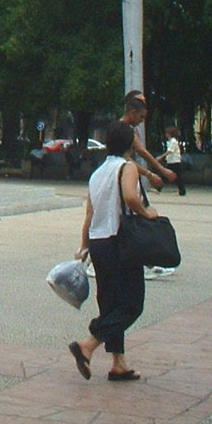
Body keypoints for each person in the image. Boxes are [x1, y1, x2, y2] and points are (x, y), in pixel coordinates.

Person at [69, 118, 155, 382]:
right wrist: (146, 213)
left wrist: (84, 246)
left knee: (111, 304)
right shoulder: (127, 167)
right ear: (130, 145)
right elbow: (130, 197)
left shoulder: (98, 173)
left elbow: (89, 213)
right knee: (131, 305)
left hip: (98, 243)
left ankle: (119, 363)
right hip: (120, 242)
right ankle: (88, 345)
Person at [122, 90, 177, 279]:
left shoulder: (128, 128)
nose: (141, 120)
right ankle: (146, 261)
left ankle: (147, 260)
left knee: (137, 217)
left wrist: (156, 173)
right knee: (141, 216)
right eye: (141, 116)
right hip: (125, 177)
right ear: (132, 109)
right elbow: (131, 157)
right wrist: (154, 173)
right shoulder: (123, 129)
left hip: (129, 176)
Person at [160, 129, 186, 196]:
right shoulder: (171, 141)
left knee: (173, 175)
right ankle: (182, 190)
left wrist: (161, 157)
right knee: (174, 176)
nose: (166, 134)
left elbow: (170, 151)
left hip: (174, 161)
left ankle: (159, 186)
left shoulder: (173, 141)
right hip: (172, 161)